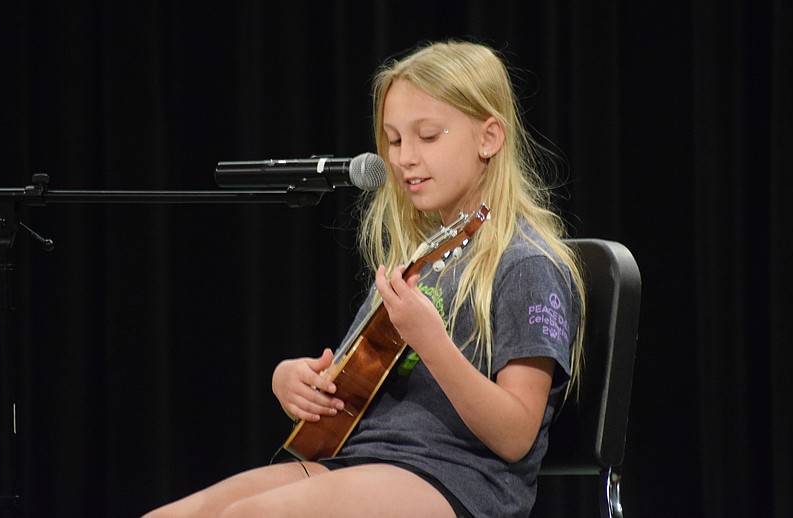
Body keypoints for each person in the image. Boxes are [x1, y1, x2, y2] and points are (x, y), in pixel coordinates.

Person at [143, 39, 585, 518]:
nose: (404, 159)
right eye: (394, 140)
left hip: (455, 479)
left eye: (428, 136)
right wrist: (294, 382)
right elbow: (353, 389)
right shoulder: (422, 257)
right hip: (358, 460)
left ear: (489, 137)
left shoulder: (526, 264)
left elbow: (517, 434)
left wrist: (430, 340)